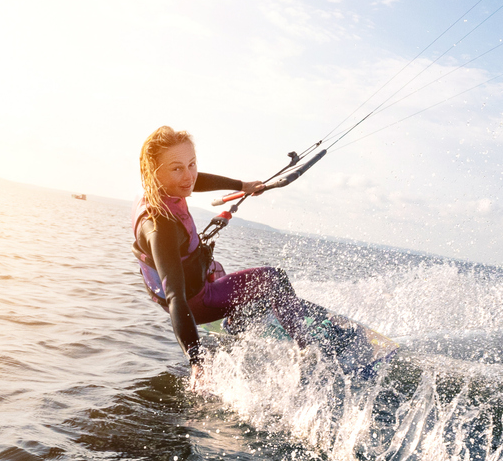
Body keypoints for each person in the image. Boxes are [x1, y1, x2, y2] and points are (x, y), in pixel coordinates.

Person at [132, 125, 349, 379]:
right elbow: (175, 298)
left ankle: (235, 320)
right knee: (275, 279)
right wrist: (196, 361)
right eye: (177, 168)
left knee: (219, 269)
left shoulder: (156, 189)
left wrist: (243, 185)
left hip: (180, 287)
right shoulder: (161, 227)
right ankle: (308, 350)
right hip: (191, 302)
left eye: (192, 164)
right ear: (155, 172)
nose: (188, 176)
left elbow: (194, 181)